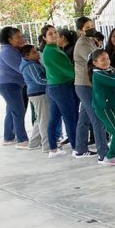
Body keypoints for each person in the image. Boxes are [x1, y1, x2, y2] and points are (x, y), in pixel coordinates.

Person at [72, 16, 107, 160]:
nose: (92, 28)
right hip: (85, 85)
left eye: (92, 25)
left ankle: (80, 149)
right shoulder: (82, 44)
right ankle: (103, 153)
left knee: (84, 118)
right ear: (80, 31)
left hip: (87, 84)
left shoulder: (90, 41)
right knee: (97, 118)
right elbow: (97, 61)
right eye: (87, 27)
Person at [43, 27, 78, 157]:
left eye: (55, 32)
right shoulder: (52, 51)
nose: (54, 35)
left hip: (55, 86)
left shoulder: (53, 49)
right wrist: (82, 77)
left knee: (55, 118)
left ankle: (53, 149)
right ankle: (76, 148)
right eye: (50, 34)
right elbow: (67, 69)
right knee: (70, 117)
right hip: (61, 87)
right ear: (44, 38)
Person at [0, 26, 29, 148]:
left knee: (12, 110)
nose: (22, 39)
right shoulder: (7, 51)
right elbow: (21, 68)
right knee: (18, 111)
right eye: (18, 37)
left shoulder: (14, 49)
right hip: (8, 85)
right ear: (9, 39)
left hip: (13, 85)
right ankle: (22, 140)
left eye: (21, 36)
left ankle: (8, 137)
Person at [19, 45, 50, 152]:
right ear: (27, 56)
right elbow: (39, 79)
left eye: (36, 51)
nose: (37, 53)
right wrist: (54, 80)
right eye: (34, 52)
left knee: (40, 118)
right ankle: (47, 145)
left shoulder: (32, 63)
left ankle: (34, 143)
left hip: (38, 93)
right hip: (39, 94)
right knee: (45, 120)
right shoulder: (30, 66)